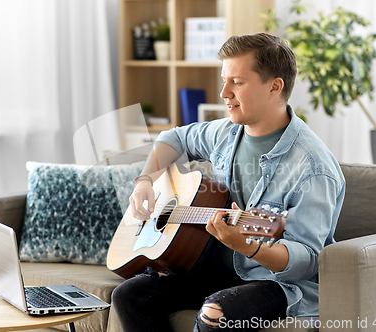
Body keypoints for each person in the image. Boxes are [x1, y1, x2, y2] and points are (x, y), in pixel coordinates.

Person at [112, 32, 345, 331]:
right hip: (213, 268)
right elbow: (173, 137)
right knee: (130, 295)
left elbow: (308, 260)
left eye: (237, 82)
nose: (223, 93)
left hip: (275, 282)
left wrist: (250, 247)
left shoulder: (313, 167)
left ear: (274, 86)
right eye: (224, 80)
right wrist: (145, 181)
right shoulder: (226, 133)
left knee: (215, 312)